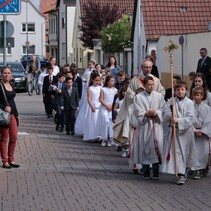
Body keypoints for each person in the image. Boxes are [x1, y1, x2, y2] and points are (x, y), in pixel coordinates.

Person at [113, 60, 165, 144]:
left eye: (150, 67)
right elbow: (129, 94)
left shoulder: (155, 80)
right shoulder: (135, 79)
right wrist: (139, 96)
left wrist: (155, 98)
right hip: (139, 111)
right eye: (146, 67)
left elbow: (162, 93)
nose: (148, 69)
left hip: (153, 112)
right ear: (141, 68)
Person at [162, 81, 195, 185]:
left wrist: (179, 121)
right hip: (174, 131)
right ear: (175, 91)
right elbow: (165, 114)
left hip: (185, 132)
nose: (180, 92)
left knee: (183, 152)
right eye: (178, 90)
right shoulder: (171, 101)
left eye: (182, 89)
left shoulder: (190, 103)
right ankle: (179, 172)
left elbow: (191, 118)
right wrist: (170, 115)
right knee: (176, 153)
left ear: (186, 91)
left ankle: (183, 172)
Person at [133, 76, 165, 179]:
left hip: (156, 124)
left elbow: (163, 109)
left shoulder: (159, 96)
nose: (151, 86)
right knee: (145, 148)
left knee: (156, 148)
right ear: (144, 85)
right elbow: (137, 111)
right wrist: (146, 113)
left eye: (153, 84)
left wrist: (156, 113)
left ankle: (156, 171)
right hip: (145, 126)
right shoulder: (138, 97)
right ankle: (146, 171)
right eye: (149, 85)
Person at [0, 66, 20, 168]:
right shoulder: (0, 85)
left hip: (12, 114)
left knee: (14, 137)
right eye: (5, 73)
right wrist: (4, 107)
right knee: (4, 138)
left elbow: (12, 101)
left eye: (8, 73)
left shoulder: (11, 84)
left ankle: (11, 159)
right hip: (4, 115)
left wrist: (17, 114)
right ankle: (5, 161)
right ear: (1, 74)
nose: (7, 75)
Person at [122, 87, 144, 172]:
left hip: (142, 130)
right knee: (134, 150)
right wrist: (125, 134)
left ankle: (143, 167)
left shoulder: (145, 107)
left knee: (142, 149)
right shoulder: (131, 107)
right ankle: (134, 166)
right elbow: (127, 121)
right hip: (133, 131)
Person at [191, 87, 211, 179]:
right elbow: (189, 119)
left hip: (203, 134)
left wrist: (203, 131)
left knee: (204, 152)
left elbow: (208, 121)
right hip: (194, 132)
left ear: (202, 96)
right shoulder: (190, 106)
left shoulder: (207, 108)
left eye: (198, 95)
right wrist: (194, 130)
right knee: (194, 152)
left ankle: (203, 168)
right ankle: (195, 170)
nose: (196, 97)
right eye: (194, 95)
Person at [97, 75, 117, 147]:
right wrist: (107, 106)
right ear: (107, 82)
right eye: (111, 81)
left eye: (113, 81)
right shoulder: (103, 89)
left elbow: (116, 100)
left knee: (111, 123)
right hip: (104, 108)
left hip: (111, 108)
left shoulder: (115, 90)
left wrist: (113, 107)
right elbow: (101, 99)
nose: (113, 82)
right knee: (105, 122)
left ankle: (110, 138)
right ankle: (104, 138)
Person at [83, 73, 101, 141]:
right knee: (93, 121)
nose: (97, 82)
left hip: (99, 106)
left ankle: (99, 135)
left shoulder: (100, 88)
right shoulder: (90, 88)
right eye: (96, 80)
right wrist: (92, 106)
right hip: (93, 106)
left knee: (98, 121)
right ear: (92, 80)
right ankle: (92, 135)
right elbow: (89, 98)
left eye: (99, 80)